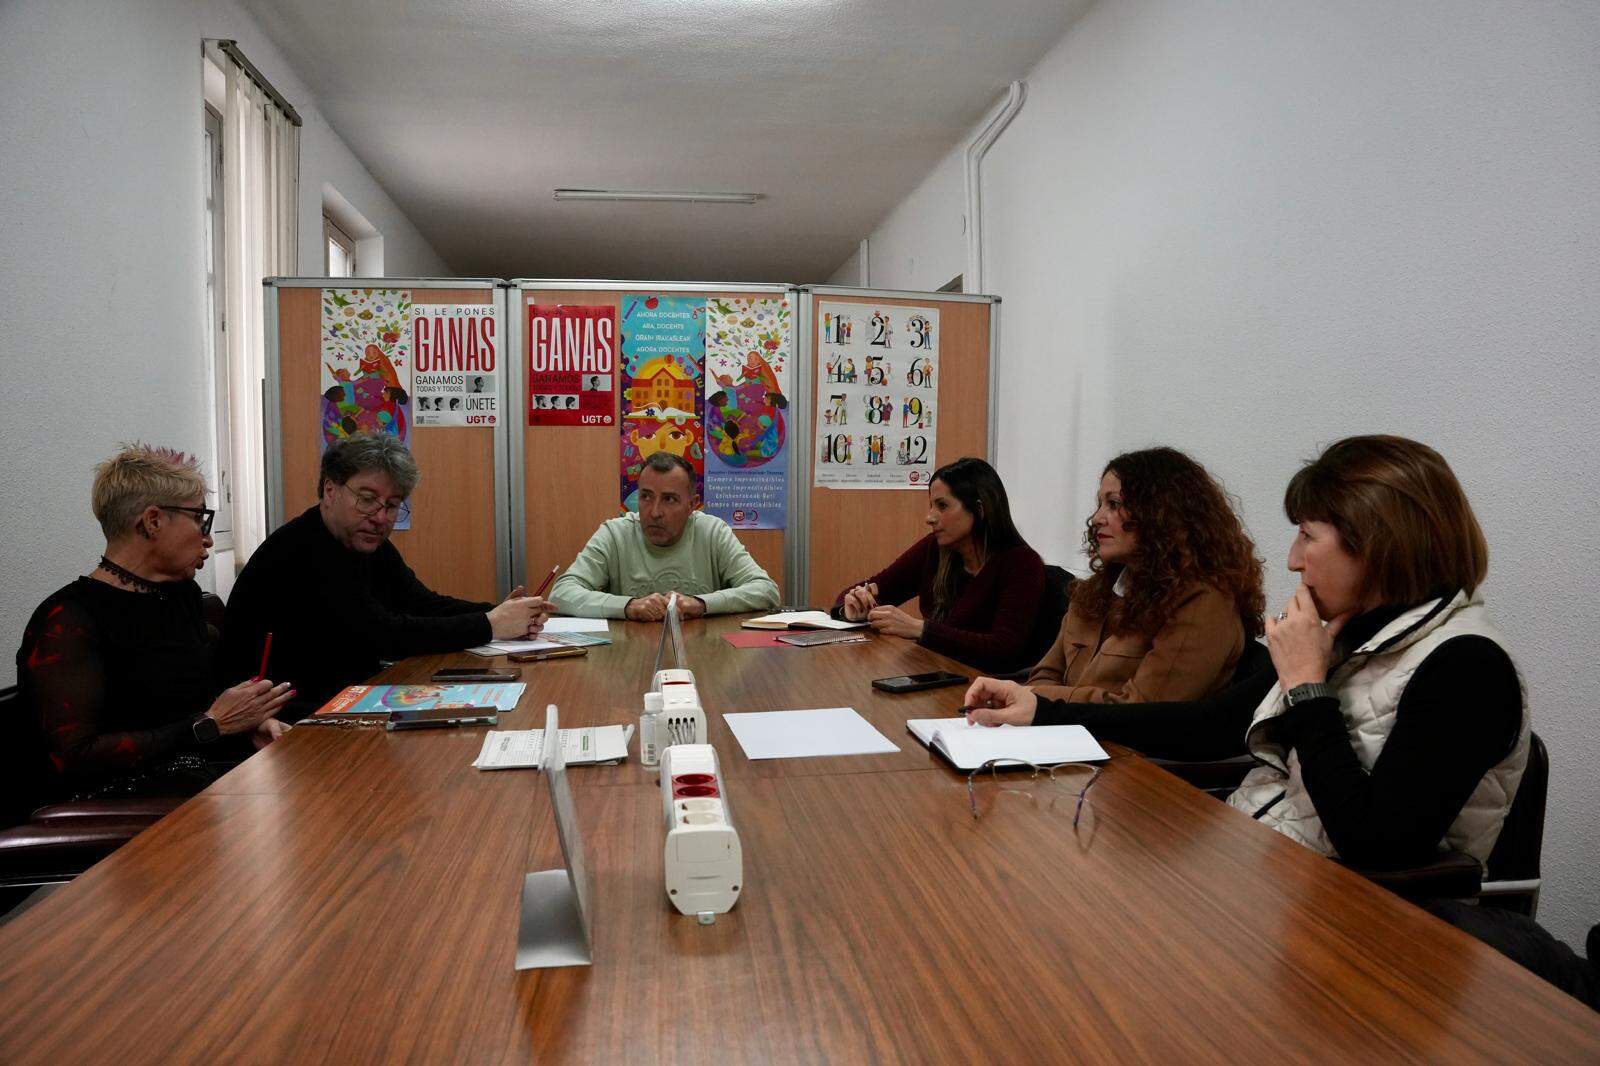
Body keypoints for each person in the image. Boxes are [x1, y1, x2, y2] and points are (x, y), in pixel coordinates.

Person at [966, 436, 1528, 871]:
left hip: (1354, 919)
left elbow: (1376, 843)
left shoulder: (1467, 666)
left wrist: (1308, 688)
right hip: (1259, 860)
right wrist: (1042, 710)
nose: (1292, 559)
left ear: (1378, 545)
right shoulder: (1350, 638)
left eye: (1308, 536)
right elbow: (1205, 727)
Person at [14, 445, 295, 809]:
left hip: (194, 787)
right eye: (199, 519)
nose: (208, 537)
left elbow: (195, 711)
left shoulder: (182, 596)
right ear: (153, 521)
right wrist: (211, 725)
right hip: (117, 812)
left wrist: (248, 725)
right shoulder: (67, 620)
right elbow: (76, 757)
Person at [221, 434, 550, 719]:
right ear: (330, 490)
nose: (380, 517)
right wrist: (491, 624)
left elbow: (421, 602)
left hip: (346, 700)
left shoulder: (365, 542)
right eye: (367, 500)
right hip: (288, 720)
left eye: (392, 505)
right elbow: (384, 634)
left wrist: (496, 612)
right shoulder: (301, 550)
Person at [1025, 447, 1264, 704]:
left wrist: (1035, 699)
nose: (1096, 518)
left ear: (1160, 514)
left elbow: (1141, 709)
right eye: (1100, 504)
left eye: (1114, 504)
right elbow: (1045, 674)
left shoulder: (1202, 602)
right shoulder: (1094, 591)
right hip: (1064, 736)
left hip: (1123, 743)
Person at [830, 457, 1044, 673]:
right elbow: (872, 588)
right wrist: (853, 607)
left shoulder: (1022, 563)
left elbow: (1003, 649)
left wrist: (920, 630)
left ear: (980, 510)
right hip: (935, 673)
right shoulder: (935, 549)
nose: (929, 517)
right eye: (932, 505)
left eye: (942, 506)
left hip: (986, 688)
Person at [550, 451, 779, 620]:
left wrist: (701, 603)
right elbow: (561, 594)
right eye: (646, 497)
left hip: (702, 655)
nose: (655, 512)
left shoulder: (712, 532)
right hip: (628, 660)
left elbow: (766, 590)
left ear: (692, 505)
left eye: (669, 499)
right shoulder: (615, 533)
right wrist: (628, 606)